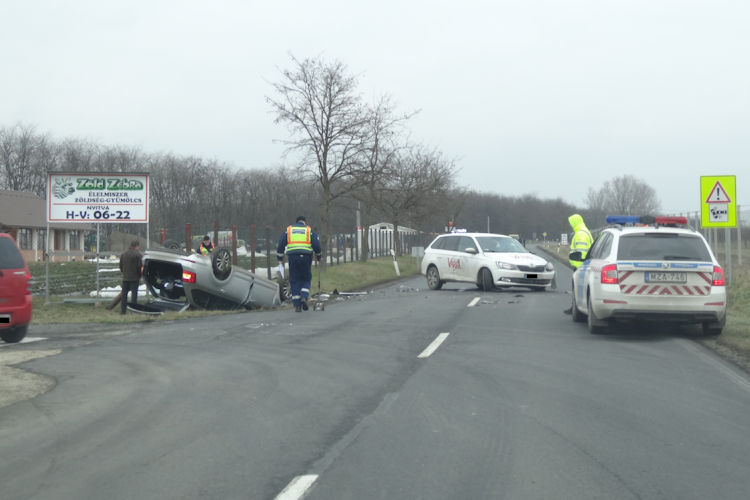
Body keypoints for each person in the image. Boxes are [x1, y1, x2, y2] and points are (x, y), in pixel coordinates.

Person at [277, 216, 322, 312]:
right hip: (306, 258)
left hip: (293, 258)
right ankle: (304, 298)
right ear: (304, 222)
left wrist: (280, 258)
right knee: (306, 278)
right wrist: (319, 256)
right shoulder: (308, 230)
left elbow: (281, 244)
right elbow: (317, 245)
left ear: (296, 222)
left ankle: (297, 306)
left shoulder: (289, 230)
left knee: (294, 280)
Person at [563, 214, 593, 314]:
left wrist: (580, 266)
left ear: (575, 222)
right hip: (583, 266)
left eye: (571, 223)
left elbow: (581, 253)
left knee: (578, 289)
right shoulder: (583, 231)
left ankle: (576, 309)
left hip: (581, 267)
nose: (570, 225)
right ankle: (575, 307)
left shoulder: (581, 234)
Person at [119, 240, 142, 315]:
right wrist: (140, 275)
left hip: (125, 278)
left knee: (124, 295)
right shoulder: (138, 255)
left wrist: (124, 273)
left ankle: (123, 311)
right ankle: (133, 311)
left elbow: (121, 266)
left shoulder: (124, 254)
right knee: (134, 295)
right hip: (134, 278)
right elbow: (140, 267)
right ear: (136, 246)